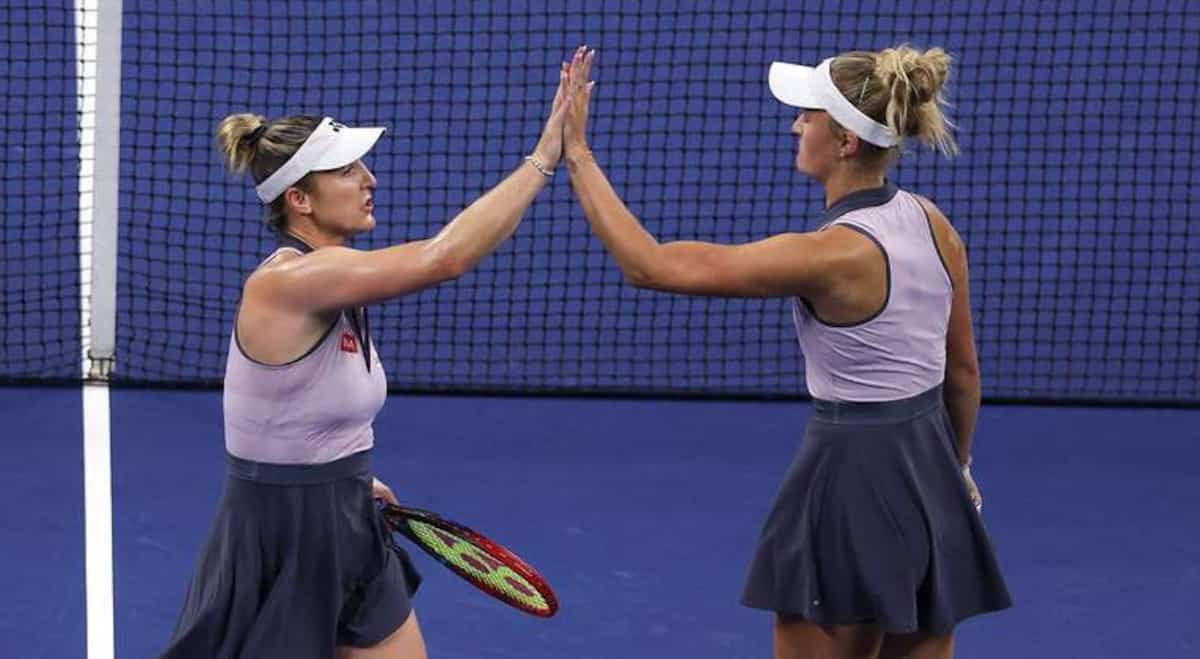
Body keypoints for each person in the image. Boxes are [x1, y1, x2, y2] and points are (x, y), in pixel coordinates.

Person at [559, 45, 1011, 658]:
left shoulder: (829, 256)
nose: (796, 124)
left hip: (853, 470)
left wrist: (578, 154)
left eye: (808, 115)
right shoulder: (934, 223)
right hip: (931, 466)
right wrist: (956, 471)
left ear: (846, 141)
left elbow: (650, 266)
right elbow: (963, 373)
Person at [160, 66, 573, 659]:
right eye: (348, 170)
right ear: (299, 199)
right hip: (282, 532)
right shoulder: (292, 281)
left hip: (347, 509)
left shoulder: (337, 282)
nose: (369, 179)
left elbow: (301, 413)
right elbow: (443, 258)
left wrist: (348, 476)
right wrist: (543, 158)